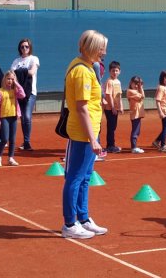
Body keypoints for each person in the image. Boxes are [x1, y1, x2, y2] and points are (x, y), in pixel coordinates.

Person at [61, 30, 108, 239]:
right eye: (101, 48)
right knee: (75, 178)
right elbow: (81, 107)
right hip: (82, 133)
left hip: (90, 131)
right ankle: (70, 224)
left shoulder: (89, 67)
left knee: (85, 177)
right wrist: (92, 139)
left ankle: (84, 218)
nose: (104, 52)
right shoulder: (81, 71)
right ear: (90, 48)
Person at [11, 38, 40, 151]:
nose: (24, 48)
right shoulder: (16, 61)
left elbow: (32, 72)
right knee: (22, 117)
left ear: (30, 47)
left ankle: (27, 142)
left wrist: (19, 72)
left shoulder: (34, 59)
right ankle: (25, 142)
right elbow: (11, 75)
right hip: (18, 92)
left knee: (27, 116)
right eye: (22, 47)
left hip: (30, 92)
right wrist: (23, 71)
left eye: (26, 46)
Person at [0, 70, 26, 167]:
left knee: (12, 139)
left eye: (12, 79)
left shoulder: (15, 91)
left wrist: (16, 83)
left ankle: (10, 158)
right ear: (4, 79)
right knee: (4, 139)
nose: (10, 81)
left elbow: (23, 95)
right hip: (4, 118)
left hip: (14, 117)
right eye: (8, 79)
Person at [152, 70, 166, 153]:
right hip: (164, 111)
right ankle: (163, 146)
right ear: (162, 78)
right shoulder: (161, 88)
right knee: (165, 128)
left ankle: (157, 141)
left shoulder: (164, 87)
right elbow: (157, 101)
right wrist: (160, 112)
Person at [103, 61, 123, 153]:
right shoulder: (109, 82)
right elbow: (109, 95)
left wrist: (121, 106)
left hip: (116, 108)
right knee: (111, 127)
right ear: (109, 71)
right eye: (113, 71)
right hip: (109, 108)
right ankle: (110, 146)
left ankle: (112, 145)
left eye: (116, 70)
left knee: (113, 126)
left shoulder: (118, 82)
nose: (115, 72)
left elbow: (119, 96)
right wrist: (113, 108)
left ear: (119, 71)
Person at [127, 76, 146, 154]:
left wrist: (140, 87)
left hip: (138, 114)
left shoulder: (138, 90)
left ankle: (134, 147)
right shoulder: (130, 91)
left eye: (137, 84)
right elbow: (141, 97)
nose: (136, 85)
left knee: (137, 131)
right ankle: (133, 147)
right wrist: (140, 88)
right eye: (134, 83)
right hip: (134, 114)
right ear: (131, 83)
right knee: (135, 131)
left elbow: (142, 96)